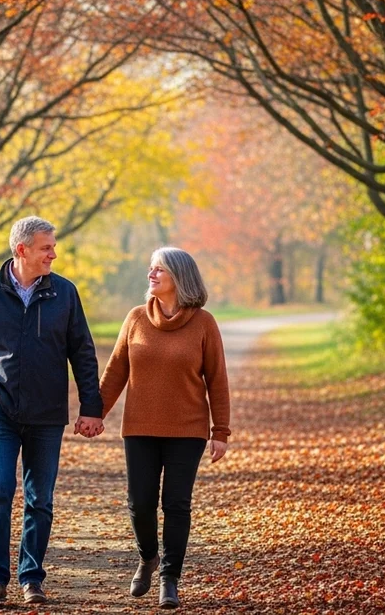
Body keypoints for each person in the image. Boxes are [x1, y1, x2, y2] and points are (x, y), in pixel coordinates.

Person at [0, 216, 105, 605]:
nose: (53, 254)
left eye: (53, 247)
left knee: (40, 499)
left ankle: (31, 578)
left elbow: (83, 354)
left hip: (46, 415)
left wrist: (91, 407)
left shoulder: (64, 294)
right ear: (21, 250)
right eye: (46, 247)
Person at [97, 246, 231, 610]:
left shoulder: (204, 324)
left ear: (179, 277)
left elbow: (217, 380)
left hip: (187, 430)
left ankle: (169, 579)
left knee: (176, 504)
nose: (151, 275)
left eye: (159, 270)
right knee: (140, 503)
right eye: (150, 269)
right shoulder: (136, 318)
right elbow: (115, 372)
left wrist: (221, 432)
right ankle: (148, 557)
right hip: (139, 427)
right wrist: (96, 412)